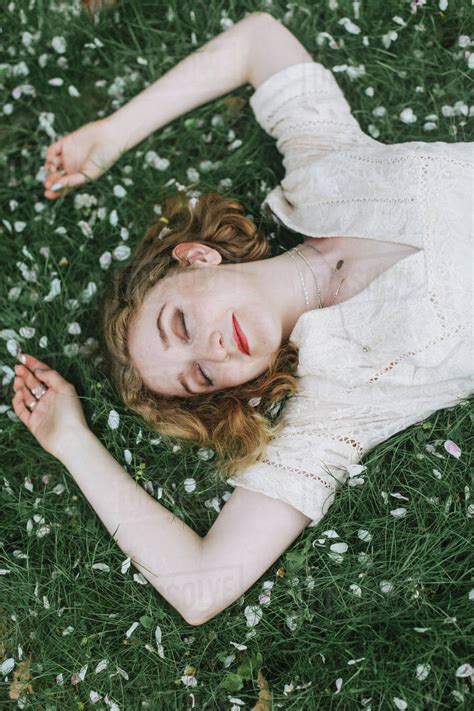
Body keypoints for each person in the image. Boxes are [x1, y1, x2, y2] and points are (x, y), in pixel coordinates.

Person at [12, 13, 473, 626]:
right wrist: (72, 442)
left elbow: (258, 41)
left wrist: (112, 135)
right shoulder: (340, 402)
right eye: (199, 377)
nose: (209, 352)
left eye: (178, 324)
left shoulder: (321, 167)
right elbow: (203, 587)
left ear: (197, 258)